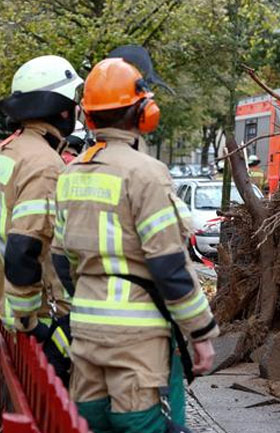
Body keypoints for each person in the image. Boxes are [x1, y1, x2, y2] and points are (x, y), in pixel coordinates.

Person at [51, 56, 218, 432]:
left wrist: (92, 295)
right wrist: (201, 333)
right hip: (136, 334)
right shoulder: (147, 173)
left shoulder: (71, 173)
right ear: (144, 112)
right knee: (139, 421)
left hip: (86, 326)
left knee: (91, 419)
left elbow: (61, 260)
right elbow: (169, 266)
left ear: (88, 116)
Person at [0, 55, 80, 382]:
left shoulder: (10, 151)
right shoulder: (46, 165)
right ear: (62, 110)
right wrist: (30, 324)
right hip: (17, 322)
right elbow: (24, 248)